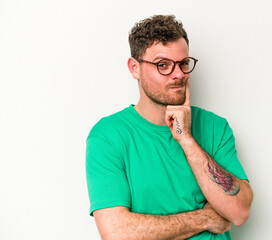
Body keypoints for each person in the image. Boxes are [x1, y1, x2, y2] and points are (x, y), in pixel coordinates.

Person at [86, 14, 253, 240]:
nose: (178, 75)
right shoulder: (108, 136)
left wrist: (187, 140)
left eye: (183, 64)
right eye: (163, 65)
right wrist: (205, 218)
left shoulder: (215, 127)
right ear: (135, 68)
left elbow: (239, 211)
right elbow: (117, 232)